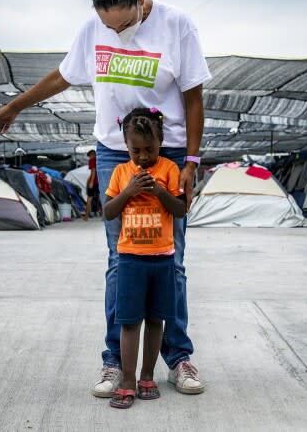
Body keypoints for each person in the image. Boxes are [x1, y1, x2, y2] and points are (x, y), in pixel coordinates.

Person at [0, 0, 208, 396]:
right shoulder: (94, 28)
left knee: (171, 259)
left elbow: (195, 97)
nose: (115, 33)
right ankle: (114, 362)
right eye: (108, 26)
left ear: (140, 1)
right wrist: (16, 105)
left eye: (123, 25)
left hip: (168, 148)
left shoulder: (176, 24)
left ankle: (178, 358)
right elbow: (62, 77)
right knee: (120, 260)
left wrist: (191, 163)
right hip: (112, 150)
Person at [102, 108, 186, 409]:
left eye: (149, 149)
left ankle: (148, 376)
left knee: (155, 320)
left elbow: (180, 210)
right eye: (135, 150)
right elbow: (108, 212)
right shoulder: (122, 173)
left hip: (162, 258)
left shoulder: (168, 170)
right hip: (130, 260)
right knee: (128, 322)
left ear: (161, 142)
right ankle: (127, 379)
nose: (143, 156)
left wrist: (160, 192)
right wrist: (129, 191)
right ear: (126, 146)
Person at [83, 149, 100, 220]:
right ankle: (105, 216)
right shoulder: (99, 160)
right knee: (102, 198)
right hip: (100, 181)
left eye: (89, 156)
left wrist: (91, 182)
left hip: (94, 182)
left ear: (92, 154)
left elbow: (93, 171)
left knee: (89, 198)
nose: (89, 158)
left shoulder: (92, 160)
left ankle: (86, 216)